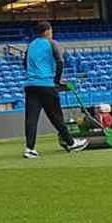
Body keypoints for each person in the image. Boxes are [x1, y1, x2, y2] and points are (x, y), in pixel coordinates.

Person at [22, 22, 88, 158]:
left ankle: (29, 149)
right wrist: (57, 80)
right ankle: (71, 143)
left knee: (31, 118)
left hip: (30, 84)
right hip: (46, 83)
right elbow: (60, 61)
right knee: (56, 116)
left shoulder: (30, 45)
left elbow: (24, 63)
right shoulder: (51, 43)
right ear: (47, 32)